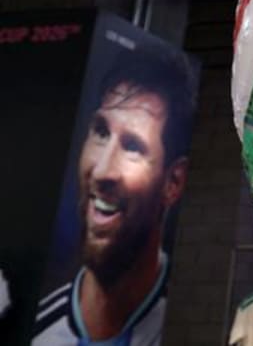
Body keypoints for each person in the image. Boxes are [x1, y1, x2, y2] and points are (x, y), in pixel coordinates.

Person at [33, 53, 194, 346]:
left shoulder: (187, 321)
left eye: (132, 146)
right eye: (101, 132)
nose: (101, 171)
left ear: (173, 182)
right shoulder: (38, 331)